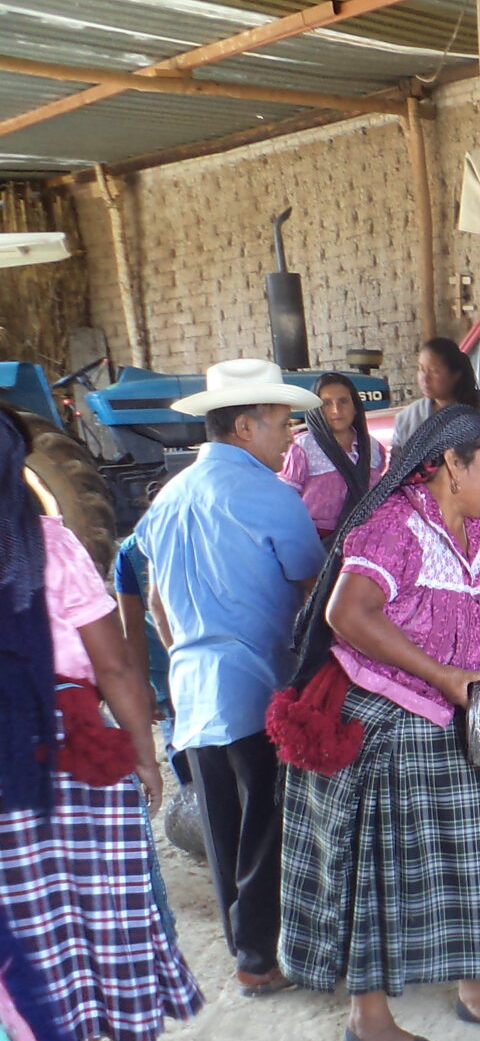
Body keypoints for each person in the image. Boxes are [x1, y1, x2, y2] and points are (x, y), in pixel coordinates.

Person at [272, 405, 480, 1041]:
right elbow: (347, 614)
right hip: (386, 725)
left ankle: (476, 991)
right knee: (380, 877)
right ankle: (368, 1022)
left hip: (450, 721)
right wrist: (445, 676)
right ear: (453, 463)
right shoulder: (396, 526)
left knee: (467, 860)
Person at [0, 406, 203, 1041]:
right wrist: (145, 757)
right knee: (85, 914)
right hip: (75, 750)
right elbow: (114, 665)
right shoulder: (47, 544)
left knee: (22, 927)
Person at [135, 359, 325, 997]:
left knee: (223, 827)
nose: (290, 436)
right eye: (280, 423)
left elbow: (156, 601)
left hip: (192, 686)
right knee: (266, 822)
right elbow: (313, 588)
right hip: (255, 684)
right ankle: (259, 956)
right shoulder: (272, 498)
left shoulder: (166, 497)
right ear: (244, 426)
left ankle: (247, 953)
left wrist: (185, 650)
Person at [113, 530, 191, 788]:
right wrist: (142, 683)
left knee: (183, 754)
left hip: (167, 675)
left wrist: (143, 684)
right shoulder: (202, 531)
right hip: (189, 672)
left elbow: (132, 628)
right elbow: (133, 629)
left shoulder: (132, 549)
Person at [279, 372, 387, 540]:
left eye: (343, 401)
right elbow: (286, 502)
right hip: (317, 544)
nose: (336, 410)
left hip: (367, 540)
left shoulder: (372, 447)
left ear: (355, 406)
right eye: (326, 403)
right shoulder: (303, 448)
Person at [388, 337, 480, 465]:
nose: (425, 378)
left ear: (455, 374)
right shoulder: (407, 419)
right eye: (421, 369)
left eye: (434, 371)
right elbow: (396, 472)